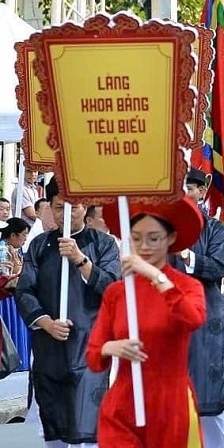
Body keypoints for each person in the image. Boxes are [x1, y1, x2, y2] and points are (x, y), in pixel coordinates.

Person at [88, 197, 207, 446]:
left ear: (171, 238)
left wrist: (154, 275)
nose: (144, 246)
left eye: (154, 238)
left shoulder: (187, 286)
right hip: (123, 404)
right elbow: (93, 355)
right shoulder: (117, 293)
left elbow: (193, 319)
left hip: (169, 405)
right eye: (136, 238)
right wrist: (112, 348)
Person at [15, 177, 121, 447]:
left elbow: (113, 289)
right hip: (50, 347)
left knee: (88, 425)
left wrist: (81, 260)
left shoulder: (103, 244)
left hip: (90, 346)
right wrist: (46, 322)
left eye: (74, 207)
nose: (67, 214)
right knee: (55, 425)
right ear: (50, 207)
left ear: (85, 207)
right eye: (60, 207)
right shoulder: (39, 245)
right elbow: (25, 290)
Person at [172, 167, 224, 448]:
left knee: (207, 403)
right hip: (167, 325)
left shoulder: (216, 230)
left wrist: (186, 254)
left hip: (205, 322)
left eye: (189, 188)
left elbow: (217, 267)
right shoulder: (159, 230)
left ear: (202, 192)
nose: (184, 193)